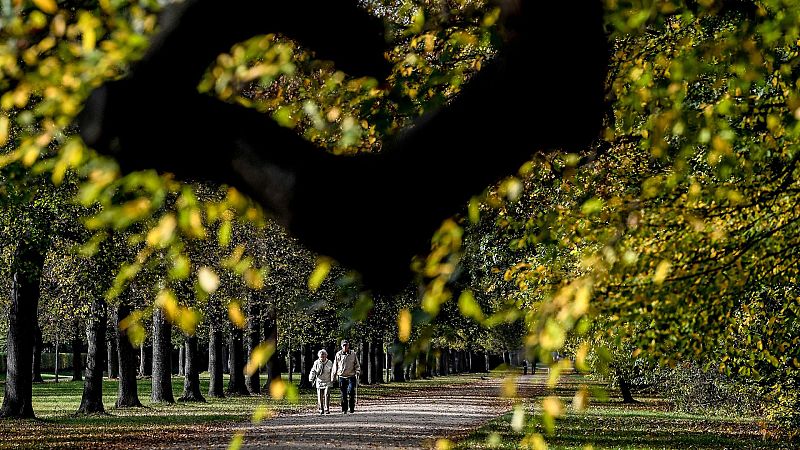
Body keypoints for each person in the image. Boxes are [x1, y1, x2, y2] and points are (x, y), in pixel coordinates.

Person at [330, 339, 360, 414]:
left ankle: (352, 408)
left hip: (351, 376)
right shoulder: (338, 354)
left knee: (351, 392)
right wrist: (333, 376)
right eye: (344, 345)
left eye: (346, 345)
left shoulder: (353, 354)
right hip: (342, 376)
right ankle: (344, 409)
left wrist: (358, 370)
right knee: (343, 394)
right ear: (341, 346)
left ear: (348, 345)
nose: (345, 347)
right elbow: (335, 366)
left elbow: (356, 364)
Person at [309, 349, 334, 414]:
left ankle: (326, 408)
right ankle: (321, 409)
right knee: (320, 395)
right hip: (319, 381)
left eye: (323, 356)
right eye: (321, 356)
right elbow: (313, 370)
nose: (322, 357)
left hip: (327, 381)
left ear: (326, 356)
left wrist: (333, 378)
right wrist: (311, 378)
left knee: (327, 394)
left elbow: (332, 371)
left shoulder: (329, 362)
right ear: (319, 356)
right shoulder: (316, 362)